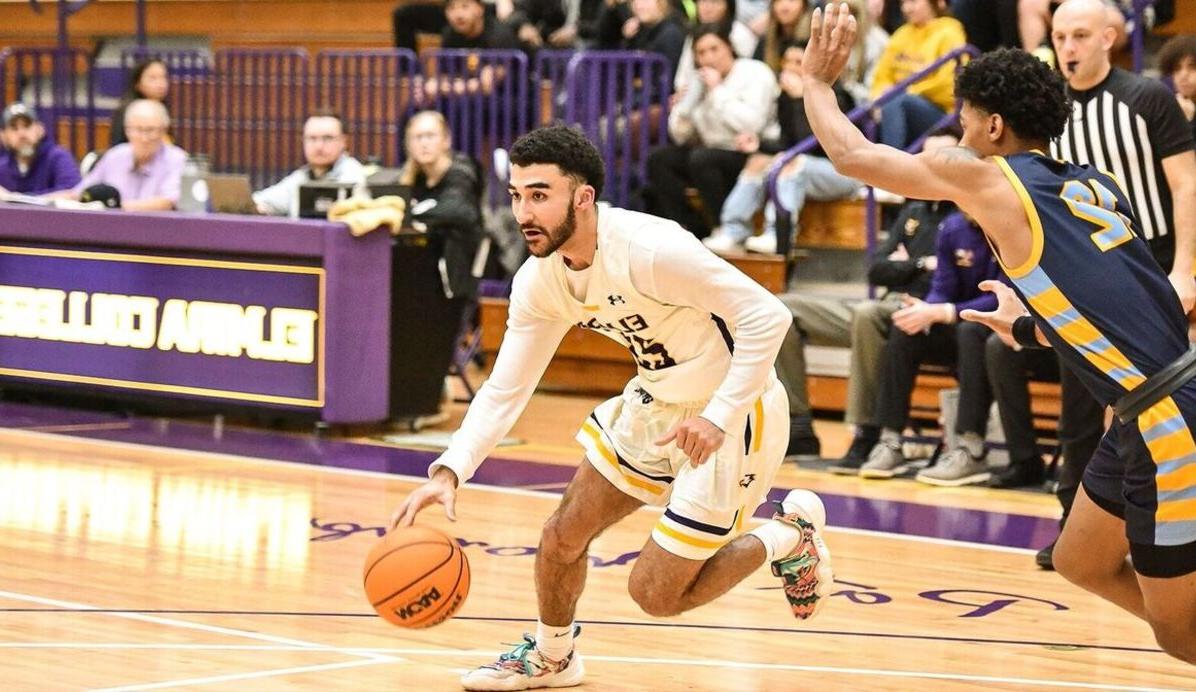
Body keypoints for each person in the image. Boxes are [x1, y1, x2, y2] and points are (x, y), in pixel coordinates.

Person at [803, 2, 1196, 664]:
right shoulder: (1094, 187)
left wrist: (817, 82)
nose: (956, 133)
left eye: (962, 121)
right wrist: (1028, 326)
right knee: (1080, 561)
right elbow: (1130, 308)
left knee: (1177, 630)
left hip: (1165, 419)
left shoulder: (982, 176)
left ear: (992, 125)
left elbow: (851, 154)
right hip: (1149, 401)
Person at [391, 124, 834, 689]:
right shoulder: (540, 279)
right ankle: (554, 657)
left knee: (654, 594)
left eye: (539, 195)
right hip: (656, 401)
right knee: (561, 535)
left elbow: (769, 318)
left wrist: (719, 416)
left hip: (736, 409)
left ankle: (790, 536)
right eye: (517, 195)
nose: (524, 212)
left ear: (583, 198)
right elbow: (506, 386)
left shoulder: (652, 249)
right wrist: (452, 469)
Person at [1040, 0, 1196, 570]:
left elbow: (1186, 186)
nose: (1069, 47)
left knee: (1152, 404)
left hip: (1150, 262)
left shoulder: (1146, 97)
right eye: (1059, 36)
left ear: (1111, 37)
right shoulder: (1046, 108)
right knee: (1078, 404)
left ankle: (1157, 530)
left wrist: (1184, 270)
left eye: (1080, 35)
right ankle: (1071, 525)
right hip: (1082, 273)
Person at [767, 130, 958, 461]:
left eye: (942, 157)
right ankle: (798, 426)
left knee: (867, 313)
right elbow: (876, 268)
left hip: (923, 311)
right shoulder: (914, 211)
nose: (930, 165)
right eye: (924, 156)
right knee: (783, 310)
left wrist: (908, 265)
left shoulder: (964, 216)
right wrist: (920, 263)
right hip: (886, 304)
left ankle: (865, 433)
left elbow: (948, 276)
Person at [856, 210, 1000, 485]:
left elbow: (1001, 298)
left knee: (971, 331)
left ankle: (971, 449)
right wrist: (926, 310)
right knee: (906, 327)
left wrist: (943, 311)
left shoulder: (1010, 228)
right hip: (956, 323)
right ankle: (890, 441)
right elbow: (942, 286)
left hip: (996, 327)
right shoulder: (953, 227)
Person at [704, 39, 858, 255]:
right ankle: (733, 230)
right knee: (758, 161)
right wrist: (759, 144)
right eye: (788, 61)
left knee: (792, 162)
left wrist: (800, 99)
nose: (792, 68)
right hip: (804, 165)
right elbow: (788, 142)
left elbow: (818, 145)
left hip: (845, 172)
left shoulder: (835, 95)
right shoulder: (786, 98)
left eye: (799, 61)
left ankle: (778, 232)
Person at [388, 111, 485, 418]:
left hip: (453, 280)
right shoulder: (409, 180)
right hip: (417, 273)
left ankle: (423, 393)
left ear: (446, 140)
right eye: (417, 137)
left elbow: (458, 211)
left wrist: (413, 218)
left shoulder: (461, 173)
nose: (424, 143)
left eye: (430, 135)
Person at [644, 25, 776, 238]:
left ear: (729, 47)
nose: (708, 58)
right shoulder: (697, 82)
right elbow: (680, 137)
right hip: (709, 152)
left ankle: (723, 228)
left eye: (714, 49)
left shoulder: (755, 72)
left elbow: (751, 125)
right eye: (701, 53)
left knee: (702, 159)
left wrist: (717, 91)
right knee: (659, 159)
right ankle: (692, 229)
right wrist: (683, 108)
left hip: (749, 151)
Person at [868, 0, 966, 149]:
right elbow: (882, 76)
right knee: (872, 105)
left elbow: (949, 84)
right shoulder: (901, 34)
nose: (906, 8)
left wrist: (908, 91)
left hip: (940, 113)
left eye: (913, 2)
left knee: (897, 101)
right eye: (903, 3)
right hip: (897, 106)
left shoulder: (950, 31)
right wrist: (878, 94)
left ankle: (892, 165)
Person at [67, 99, 185, 211]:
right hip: (110, 227)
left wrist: (114, 207)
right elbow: (80, 193)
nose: (144, 138)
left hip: (157, 228)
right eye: (138, 129)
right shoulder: (115, 155)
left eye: (150, 130)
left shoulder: (178, 159)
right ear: (127, 130)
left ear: (163, 131)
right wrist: (50, 200)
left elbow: (168, 202)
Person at [253, 110, 365, 217]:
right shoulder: (301, 177)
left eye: (327, 138)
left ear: (344, 142)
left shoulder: (352, 175)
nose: (319, 146)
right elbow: (264, 201)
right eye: (312, 138)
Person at [0, 103, 81, 196]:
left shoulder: (58, 157)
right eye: (14, 128)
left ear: (40, 130)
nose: (22, 134)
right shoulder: (2, 167)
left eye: (27, 126)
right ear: (3, 136)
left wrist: (16, 199)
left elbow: (73, 193)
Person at [109, 59, 170, 147]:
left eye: (163, 77)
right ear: (137, 83)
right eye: (153, 78)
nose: (161, 84)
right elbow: (117, 146)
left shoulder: (163, 109)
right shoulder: (126, 111)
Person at [1158, 34, 1196, 142]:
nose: (1183, 75)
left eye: (1192, 67)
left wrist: (1188, 122)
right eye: (1177, 68)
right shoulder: (1165, 108)